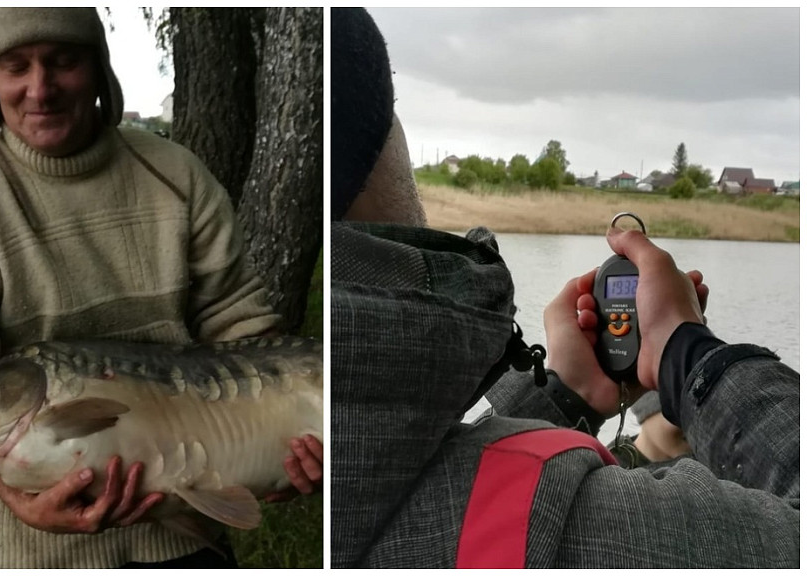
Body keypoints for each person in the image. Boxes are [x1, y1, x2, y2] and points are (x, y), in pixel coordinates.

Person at [330, 7, 798, 568]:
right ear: (370, 155)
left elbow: (429, 477)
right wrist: (690, 357)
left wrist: (564, 395)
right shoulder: (600, 530)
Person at [0, 7, 321, 569]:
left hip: (187, 538)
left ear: (99, 70)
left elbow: (238, 322)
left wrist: (289, 451)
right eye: (15, 66)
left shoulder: (177, 176)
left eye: (63, 62)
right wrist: (19, 501)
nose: (39, 89)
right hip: (37, 556)